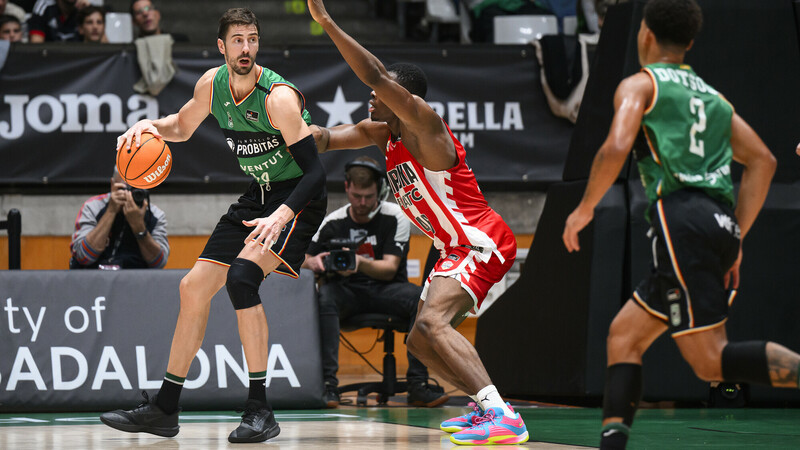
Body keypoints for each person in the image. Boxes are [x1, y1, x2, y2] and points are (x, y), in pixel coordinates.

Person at [561, 1, 800, 448]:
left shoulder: (640, 83)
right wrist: (737, 236)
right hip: (717, 222)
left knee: (711, 362)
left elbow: (616, 146)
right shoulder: (714, 98)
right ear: (689, 43)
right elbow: (763, 162)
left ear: (645, 34)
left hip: (680, 217)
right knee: (624, 336)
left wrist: (584, 207)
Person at [99, 8, 327, 444]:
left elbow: (316, 175)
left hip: (298, 198)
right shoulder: (212, 84)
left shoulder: (276, 97)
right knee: (192, 288)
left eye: (253, 39)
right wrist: (149, 125)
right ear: (222, 47)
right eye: (238, 40)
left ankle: (260, 408)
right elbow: (182, 128)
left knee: (242, 279)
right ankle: (165, 408)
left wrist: (282, 215)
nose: (246, 48)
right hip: (257, 194)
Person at [307, 0, 528, 445]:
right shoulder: (381, 135)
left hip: (479, 241)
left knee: (432, 326)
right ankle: (488, 408)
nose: (371, 98)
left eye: (381, 94)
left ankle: (501, 414)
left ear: (402, 99)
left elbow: (374, 76)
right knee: (419, 342)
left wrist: (327, 22)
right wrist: (276, 126)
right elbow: (325, 139)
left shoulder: (426, 127)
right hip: (453, 248)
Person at [302, 156, 449, 409]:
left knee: (421, 298)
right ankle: (328, 386)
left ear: (379, 191)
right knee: (324, 297)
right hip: (346, 292)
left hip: (386, 289)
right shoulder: (332, 222)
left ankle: (417, 384)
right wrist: (314, 262)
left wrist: (358, 262)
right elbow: (301, 258)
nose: (362, 203)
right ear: (347, 187)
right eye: (357, 195)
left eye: (368, 197)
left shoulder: (395, 217)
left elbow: (390, 268)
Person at [70, 168, 169, 269]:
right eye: (124, 188)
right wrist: (111, 211)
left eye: (134, 190)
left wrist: (139, 226)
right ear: (112, 184)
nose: (128, 195)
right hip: (92, 277)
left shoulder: (155, 215)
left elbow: (159, 263)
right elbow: (84, 257)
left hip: (134, 280)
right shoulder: (92, 207)